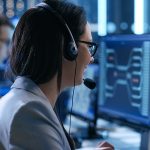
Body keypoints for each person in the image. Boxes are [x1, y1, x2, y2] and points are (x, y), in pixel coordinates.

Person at [0, 0, 114, 150]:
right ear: (69, 49)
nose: (91, 58)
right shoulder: (30, 113)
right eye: (89, 46)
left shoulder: (21, 99)